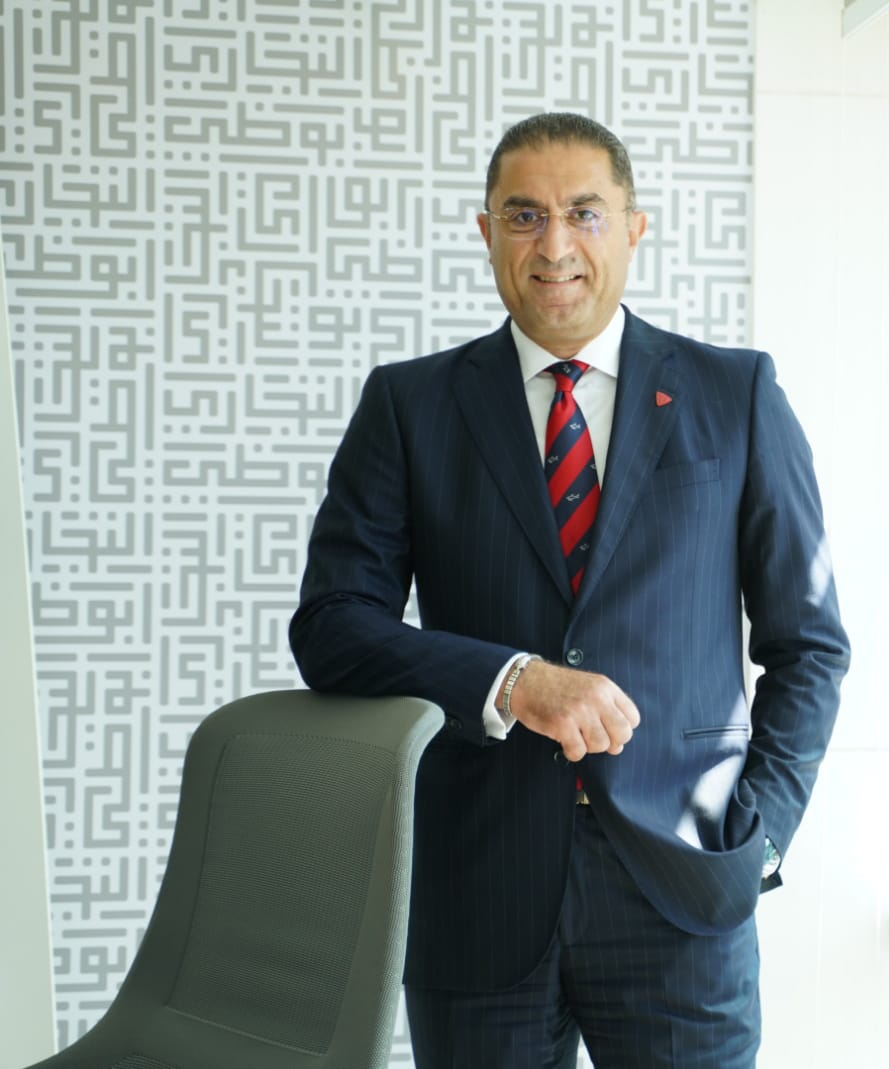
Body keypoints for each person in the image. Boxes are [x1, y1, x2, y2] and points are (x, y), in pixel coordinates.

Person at [289, 112, 849, 1068]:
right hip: (479, 889)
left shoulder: (737, 394)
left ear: (634, 227)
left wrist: (759, 838)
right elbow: (333, 627)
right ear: (486, 233)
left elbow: (810, 644)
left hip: (684, 891)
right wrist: (513, 681)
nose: (554, 246)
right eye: (524, 216)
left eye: (585, 213)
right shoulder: (409, 406)